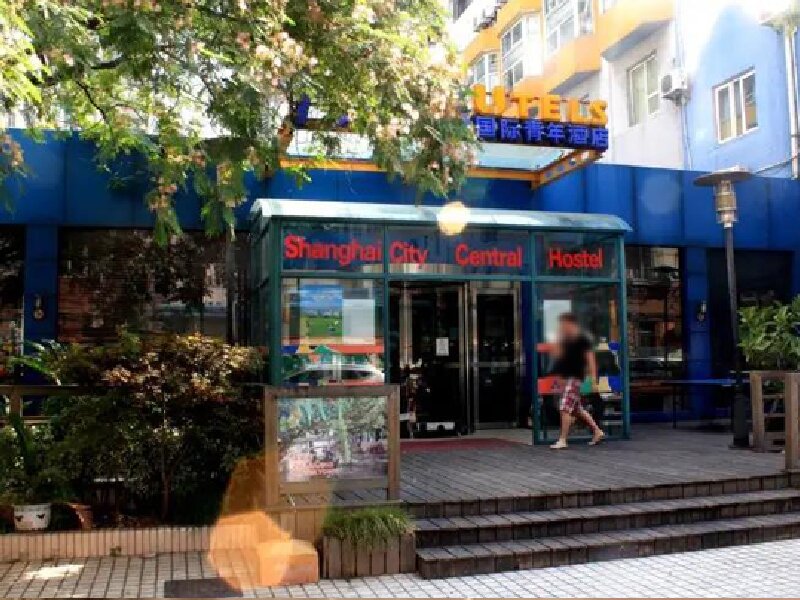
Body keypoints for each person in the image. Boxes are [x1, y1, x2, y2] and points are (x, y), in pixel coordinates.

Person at [549, 312, 605, 449]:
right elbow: (558, 355)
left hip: (575, 378)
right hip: (566, 378)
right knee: (577, 409)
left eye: (563, 324)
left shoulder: (582, 339)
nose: (561, 327)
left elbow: (590, 359)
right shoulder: (566, 340)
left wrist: (593, 379)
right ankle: (597, 431)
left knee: (564, 408)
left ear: (570, 323)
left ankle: (563, 440)